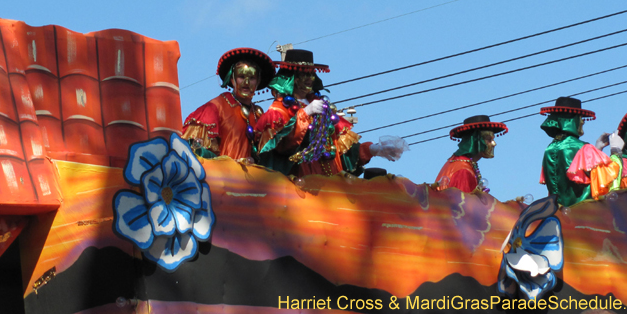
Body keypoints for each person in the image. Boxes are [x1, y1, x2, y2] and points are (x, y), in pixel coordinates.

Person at [254, 49, 406, 177]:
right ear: (291, 77)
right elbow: (278, 147)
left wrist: (373, 149)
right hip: (301, 188)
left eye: (311, 73)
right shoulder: (278, 111)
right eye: (304, 73)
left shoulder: (323, 108)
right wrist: (305, 114)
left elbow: (341, 152)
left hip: (331, 186)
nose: (309, 78)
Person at [181, 48, 276, 163]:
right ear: (232, 79)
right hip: (223, 179)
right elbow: (198, 153)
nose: (246, 83)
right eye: (241, 77)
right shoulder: (216, 107)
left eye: (252, 78)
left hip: (251, 179)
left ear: (258, 81)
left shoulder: (258, 114)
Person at [540, 97, 618, 207]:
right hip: (583, 216)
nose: (582, 122)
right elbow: (611, 180)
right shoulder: (583, 148)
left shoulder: (549, 149)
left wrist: (597, 150)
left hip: (557, 215)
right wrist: (616, 151)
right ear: (571, 121)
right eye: (580, 118)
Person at [434, 115, 507, 193]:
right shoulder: (463, 170)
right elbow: (463, 203)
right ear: (475, 141)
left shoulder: (461, 162)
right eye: (489, 140)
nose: (494, 144)